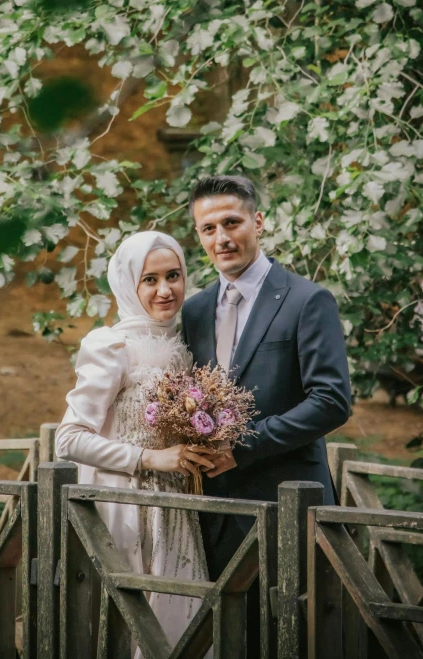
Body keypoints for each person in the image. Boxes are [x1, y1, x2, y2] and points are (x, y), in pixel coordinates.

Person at [181, 175, 352, 637]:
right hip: (213, 510)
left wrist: (244, 445)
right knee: (228, 635)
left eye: (232, 222)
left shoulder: (307, 300)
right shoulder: (194, 310)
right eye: (208, 228)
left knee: (293, 636)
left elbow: (332, 401)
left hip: (287, 502)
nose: (222, 238)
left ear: (257, 222)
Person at [55, 231, 215, 657]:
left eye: (174, 276)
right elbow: (68, 439)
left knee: (183, 627)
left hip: (178, 510)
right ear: (128, 283)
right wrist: (148, 458)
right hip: (124, 508)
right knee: (132, 625)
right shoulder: (112, 344)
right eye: (150, 279)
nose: (165, 290)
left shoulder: (185, 344)